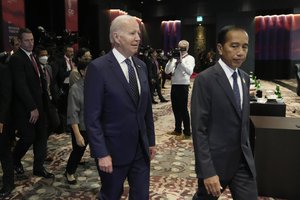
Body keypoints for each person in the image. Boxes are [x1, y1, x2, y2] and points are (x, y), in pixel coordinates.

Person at [84, 14, 156, 199]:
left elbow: (145, 108)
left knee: (141, 196)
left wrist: (151, 141)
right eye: (132, 33)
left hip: (141, 149)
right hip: (113, 152)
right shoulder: (98, 68)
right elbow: (92, 117)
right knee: (111, 195)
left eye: (138, 34)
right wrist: (101, 153)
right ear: (116, 37)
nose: (138, 38)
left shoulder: (141, 66)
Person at [191, 25, 258, 199]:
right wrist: (207, 171)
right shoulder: (205, 80)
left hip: (243, 162)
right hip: (216, 164)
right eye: (234, 46)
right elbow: (199, 129)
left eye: (245, 46)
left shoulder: (244, 78)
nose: (241, 52)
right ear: (220, 48)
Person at [9, 28, 54, 179]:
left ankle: (38, 167)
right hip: (25, 108)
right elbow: (21, 86)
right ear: (20, 42)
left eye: (32, 39)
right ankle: (14, 159)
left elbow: (40, 82)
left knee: (41, 136)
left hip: (40, 104)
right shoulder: (17, 58)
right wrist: (32, 107)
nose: (30, 43)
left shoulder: (33, 56)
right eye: (27, 40)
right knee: (28, 136)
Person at [65, 60, 89, 184]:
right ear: (83, 72)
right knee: (78, 152)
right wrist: (77, 134)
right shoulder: (75, 89)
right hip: (82, 127)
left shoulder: (98, 85)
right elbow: (72, 114)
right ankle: (69, 172)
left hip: (95, 126)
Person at [165, 40, 194, 140]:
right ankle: (177, 129)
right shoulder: (174, 58)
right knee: (175, 108)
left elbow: (190, 71)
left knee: (183, 109)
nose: (181, 50)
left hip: (183, 86)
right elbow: (167, 71)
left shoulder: (190, 58)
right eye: (180, 47)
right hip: (174, 85)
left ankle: (187, 131)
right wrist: (170, 60)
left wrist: (181, 62)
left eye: (183, 48)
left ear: (187, 48)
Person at [0, 63, 14, 198]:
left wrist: (2, 120)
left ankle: (8, 183)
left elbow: (6, 97)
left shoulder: (3, 69)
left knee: (4, 152)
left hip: (2, 119)